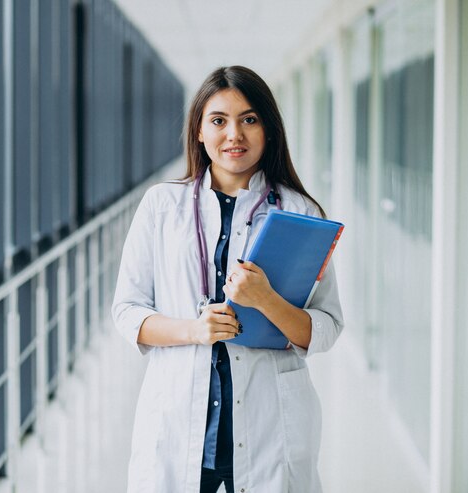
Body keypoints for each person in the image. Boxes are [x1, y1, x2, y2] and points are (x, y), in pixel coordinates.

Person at [112, 65, 343, 493]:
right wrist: (194, 330)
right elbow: (127, 311)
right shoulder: (162, 206)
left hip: (269, 425)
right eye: (219, 120)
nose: (234, 134)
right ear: (199, 131)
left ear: (269, 130)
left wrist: (266, 300)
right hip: (179, 425)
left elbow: (326, 327)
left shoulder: (300, 213)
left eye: (249, 119)